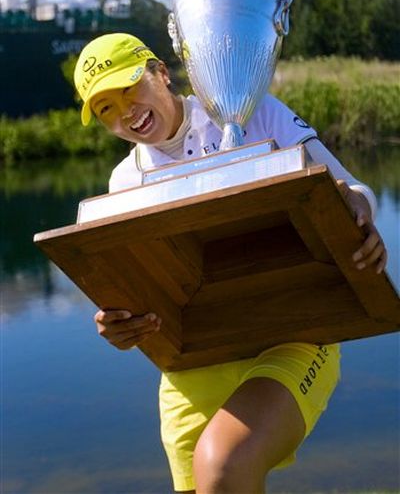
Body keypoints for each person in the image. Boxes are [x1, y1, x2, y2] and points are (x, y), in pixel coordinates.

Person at [73, 33, 387, 494]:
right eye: (105, 109)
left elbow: (351, 189)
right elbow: (138, 290)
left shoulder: (252, 110)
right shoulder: (123, 183)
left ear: (161, 72)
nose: (124, 113)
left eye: (129, 90)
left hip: (295, 333)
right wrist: (119, 324)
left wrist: (358, 211)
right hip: (191, 362)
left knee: (223, 463)